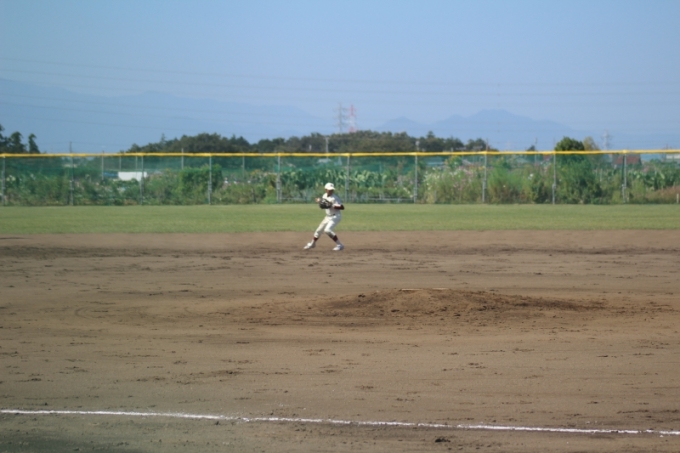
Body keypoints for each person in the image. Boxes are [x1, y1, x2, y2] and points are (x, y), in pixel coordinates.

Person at [304, 182, 345, 251]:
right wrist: (319, 201)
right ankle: (312, 244)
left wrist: (332, 205)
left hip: (335, 216)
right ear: (326, 190)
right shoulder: (324, 195)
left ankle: (340, 245)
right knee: (318, 230)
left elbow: (342, 207)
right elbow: (323, 204)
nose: (331, 191)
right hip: (328, 216)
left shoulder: (335, 198)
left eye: (332, 190)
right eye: (329, 190)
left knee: (327, 230)